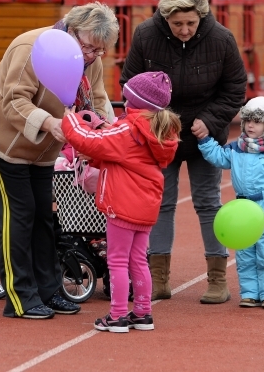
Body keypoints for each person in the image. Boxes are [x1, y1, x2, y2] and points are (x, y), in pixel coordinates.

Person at [0, 2, 118, 319]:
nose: (91, 55)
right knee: (19, 215)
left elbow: (95, 100)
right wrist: (48, 122)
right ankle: (19, 296)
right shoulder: (31, 46)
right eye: (87, 46)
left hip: (44, 149)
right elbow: (14, 100)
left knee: (45, 217)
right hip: (3, 141)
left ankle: (50, 290)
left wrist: (106, 132)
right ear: (72, 28)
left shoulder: (90, 61)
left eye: (98, 50)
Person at [120, 0, 247, 304]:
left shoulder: (221, 39)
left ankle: (217, 279)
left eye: (191, 23)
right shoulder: (147, 35)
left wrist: (211, 120)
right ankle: (159, 278)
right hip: (162, 135)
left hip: (205, 135)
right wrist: (158, 122)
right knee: (160, 204)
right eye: (177, 24)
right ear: (166, 18)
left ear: (201, 17)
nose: (185, 30)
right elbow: (130, 83)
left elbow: (235, 88)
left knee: (208, 203)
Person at [62, 71, 181, 333]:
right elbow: (125, 157)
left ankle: (117, 316)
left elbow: (89, 140)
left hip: (122, 205)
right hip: (146, 206)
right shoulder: (157, 130)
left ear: (135, 102)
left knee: (116, 261)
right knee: (138, 259)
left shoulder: (129, 128)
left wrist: (70, 119)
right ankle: (142, 312)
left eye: (127, 98)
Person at [198, 96, 264, 309]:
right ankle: (250, 293)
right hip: (243, 208)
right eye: (247, 121)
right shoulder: (238, 148)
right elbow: (219, 157)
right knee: (245, 253)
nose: (250, 126)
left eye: (256, 121)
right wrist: (205, 141)